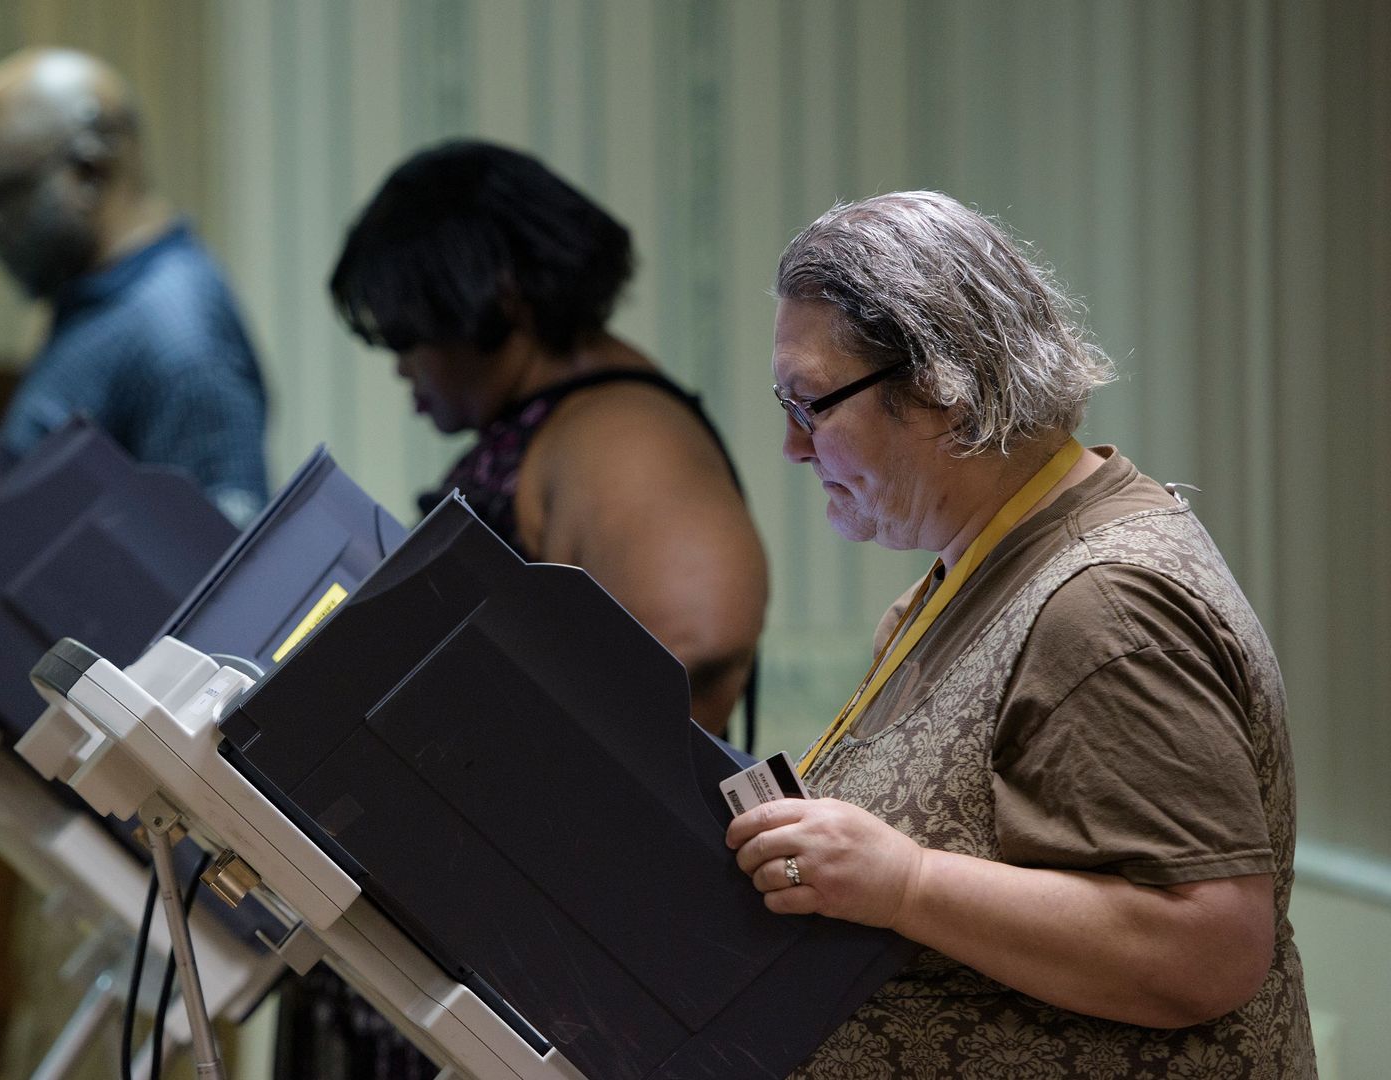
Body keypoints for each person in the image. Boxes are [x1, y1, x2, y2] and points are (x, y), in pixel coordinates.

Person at [731, 191, 1313, 1076]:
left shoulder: (1106, 606)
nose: (792, 446)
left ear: (941, 392)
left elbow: (1209, 945)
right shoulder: (997, 562)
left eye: (810, 405)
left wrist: (906, 884)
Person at [329, 139, 769, 739]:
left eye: (410, 335)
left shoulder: (622, 432)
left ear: (498, 296)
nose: (402, 366)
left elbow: (699, 637)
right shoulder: (562, 420)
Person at [0, 48, 268, 524]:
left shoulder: (179, 338)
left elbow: (215, 570)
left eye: (4, 193)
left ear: (89, 173)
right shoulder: (102, 301)